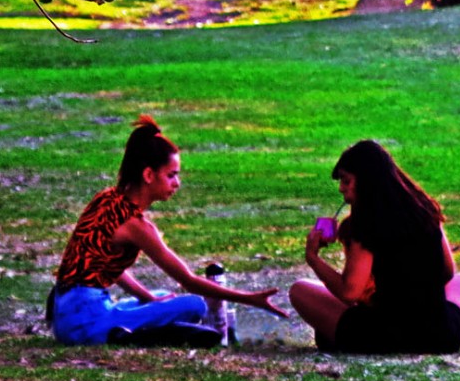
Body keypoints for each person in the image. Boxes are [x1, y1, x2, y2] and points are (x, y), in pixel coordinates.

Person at [48, 115, 287, 346]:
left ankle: (137, 329)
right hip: (89, 323)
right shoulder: (136, 226)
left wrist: (147, 298)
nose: (177, 183)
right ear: (149, 175)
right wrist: (249, 299)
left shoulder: (107, 199)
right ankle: (137, 334)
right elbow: (188, 280)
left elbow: (105, 264)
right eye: (171, 175)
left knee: (162, 295)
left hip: (66, 315)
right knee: (195, 306)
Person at [289, 140, 460, 354]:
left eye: (346, 180)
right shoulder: (424, 210)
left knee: (300, 290)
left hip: (388, 334)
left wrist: (313, 258)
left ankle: (341, 336)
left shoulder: (367, 223)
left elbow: (349, 292)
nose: (341, 188)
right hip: (441, 335)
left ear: (367, 181)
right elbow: (447, 272)